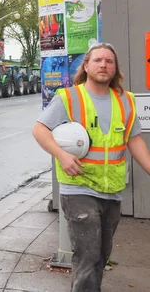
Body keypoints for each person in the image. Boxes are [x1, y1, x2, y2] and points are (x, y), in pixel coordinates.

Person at [32, 43, 150, 292]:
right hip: (79, 188)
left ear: (115, 67)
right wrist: (62, 156)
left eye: (109, 60)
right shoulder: (69, 97)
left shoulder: (126, 101)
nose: (104, 64)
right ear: (86, 66)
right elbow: (40, 129)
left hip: (111, 190)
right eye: (97, 60)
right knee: (88, 255)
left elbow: (134, 140)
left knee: (100, 255)